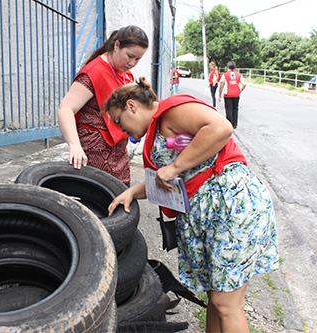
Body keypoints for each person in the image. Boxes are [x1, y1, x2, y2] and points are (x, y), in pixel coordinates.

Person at [105, 77, 279, 333]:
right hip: (213, 214)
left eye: (118, 121)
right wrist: (133, 192)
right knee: (216, 299)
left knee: (226, 304)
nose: (121, 130)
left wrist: (174, 167)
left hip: (229, 207)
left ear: (132, 106)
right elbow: (174, 180)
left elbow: (221, 128)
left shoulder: (171, 111)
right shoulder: (157, 128)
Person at [57, 25, 148, 186]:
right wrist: (74, 145)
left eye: (138, 59)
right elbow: (65, 109)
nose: (132, 63)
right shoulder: (94, 71)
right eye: (130, 56)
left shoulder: (126, 74)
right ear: (117, 45)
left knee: (120, 198)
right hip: (94, 153)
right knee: (97, 198)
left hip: (118, 154)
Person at [219, 60, 246, 129]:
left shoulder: (225, 74)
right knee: (235, 108)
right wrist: (240, 90)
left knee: (228, 109)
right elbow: (244, 84)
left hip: (228, 94)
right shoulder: (239, 75)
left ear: (228, 67)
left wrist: (220, 94)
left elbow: (221, 85)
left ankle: (229, 123)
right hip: (236, 94)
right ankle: (235, 124)